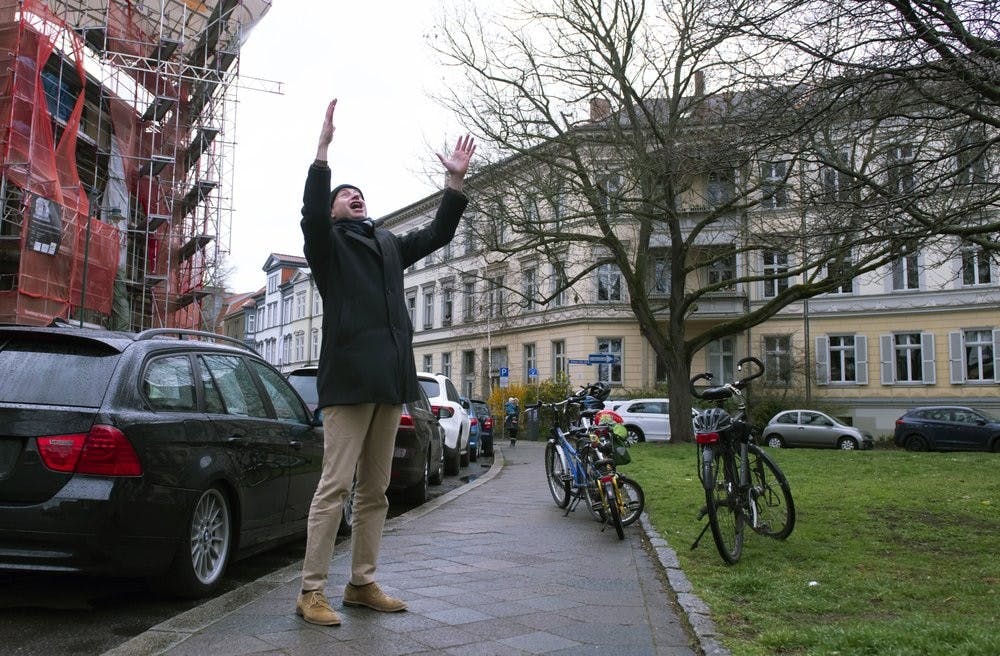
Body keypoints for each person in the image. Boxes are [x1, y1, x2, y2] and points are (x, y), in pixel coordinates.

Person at [296, 99, 475, 627]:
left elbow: (438, 235)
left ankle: (361, 583)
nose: (355, 197)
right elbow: (309, 212)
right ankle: (311, 592)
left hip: (390, 382)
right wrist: (323, 152)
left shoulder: (389, 245)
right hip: (349, 382)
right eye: (345, 196)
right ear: (333, 212)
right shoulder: (327, 247)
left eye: (360, 194)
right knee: (334, 488)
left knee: (375, 491)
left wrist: (455, 186)